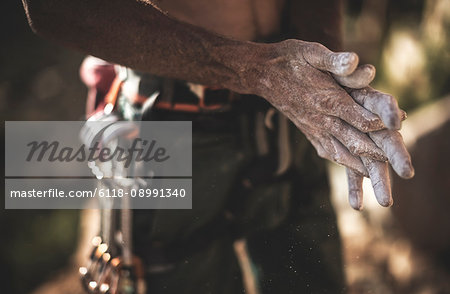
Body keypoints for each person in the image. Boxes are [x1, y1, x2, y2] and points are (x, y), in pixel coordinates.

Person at [22, 0, 414, 293]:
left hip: (290, 106)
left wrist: (327, 71)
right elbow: (51, 8)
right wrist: (257, 70)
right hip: (171, 112)